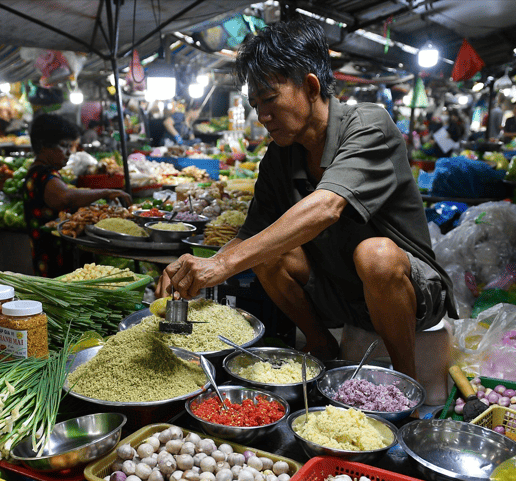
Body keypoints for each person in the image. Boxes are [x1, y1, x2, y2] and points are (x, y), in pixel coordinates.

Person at [156, 19, 455, 377]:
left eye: (270, 99)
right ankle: (320, 344)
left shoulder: (369, 126)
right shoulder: (279, 156)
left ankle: (406, 382)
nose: (262, 116)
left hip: (411, 294)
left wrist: (223, 266)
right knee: (265, 250)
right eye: (255, 104)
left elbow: (326, 207)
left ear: (311, 87)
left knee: (375, 255)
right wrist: (200, 266)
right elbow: (251, 236)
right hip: (341, 293)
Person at [23, 114, 132, 275]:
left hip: (55, 256)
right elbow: (65, 197)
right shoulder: (42, 174)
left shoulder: (42, 172)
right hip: (53, 259)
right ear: (43, 146)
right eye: (63, 146)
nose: (69, 153)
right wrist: (105, 192)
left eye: (70, 146)